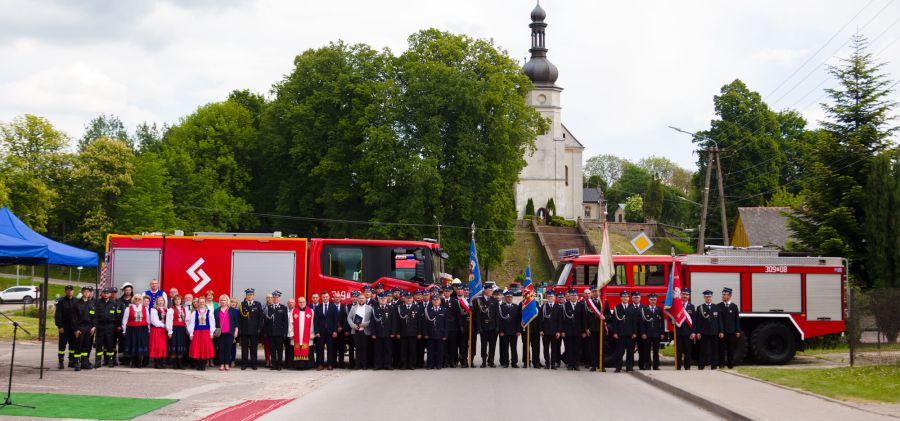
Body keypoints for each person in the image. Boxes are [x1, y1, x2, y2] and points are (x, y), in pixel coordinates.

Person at [694, 290, 723, 370]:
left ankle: (714, 365)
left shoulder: (716, 307)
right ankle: (701, 365)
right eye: (707, 297)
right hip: (704, 332)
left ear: (712, 297)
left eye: (709, 297)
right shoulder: (700, 307)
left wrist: (721, 331)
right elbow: (698, 321)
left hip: (714, 331)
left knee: (714, 350)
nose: (708, 298)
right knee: (703, 350)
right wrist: (698, 332)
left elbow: (719, 320)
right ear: (704, 297)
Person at [187, 297, 216, 370]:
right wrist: (191, 333)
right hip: (197, 332)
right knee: (198, 347)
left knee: (205, 347)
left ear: (205, 303)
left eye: (203, 302)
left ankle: (203, 364)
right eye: (200, 302)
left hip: (206, 332)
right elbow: (191, 323)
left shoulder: (209, 312)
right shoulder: (195, 312)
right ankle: (198, 364)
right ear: (198, 303)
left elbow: (212, 323)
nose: (202, 304)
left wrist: (211, 332)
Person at [612, 291, 638, 372]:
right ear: (621, 298)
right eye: (623, 297)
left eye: (626, 297)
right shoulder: (617, 307)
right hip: (620, 334)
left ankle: (629, 366)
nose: (625, 298)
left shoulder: (632, 308)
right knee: (619, 352)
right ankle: (618, 367)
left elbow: (634, 322)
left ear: (629, 298)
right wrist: (615, 332)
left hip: (630, 334)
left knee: (630, 352)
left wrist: (634, 332)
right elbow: (615, 322)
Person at [72, 286, 96, 371]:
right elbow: (73, 318)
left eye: (88, 292)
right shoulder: (77, 304)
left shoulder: (92, 304)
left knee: (86, 345)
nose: (86, 293)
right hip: (80, 327)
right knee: (78, 345)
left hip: (89, 328)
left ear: (90, 293)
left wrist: (94, 326)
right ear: (82, 292)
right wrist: (76, 329)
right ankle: (77, 363)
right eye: (85, 292)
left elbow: (94, 317)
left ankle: (84, 362)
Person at [474, 283, 499, 368]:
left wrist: (497, 326)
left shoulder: (494, 300)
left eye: (491, 290)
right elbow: (477, 315)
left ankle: (491, 360)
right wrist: (479, 327)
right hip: (483, 326)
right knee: (484, 345)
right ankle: (484, 361)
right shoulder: (479, 300)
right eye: (489, 290)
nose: (491, 292)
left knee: (492, 345)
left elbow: (497, 315)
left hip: (492, 326)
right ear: (485, 291)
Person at [238, 288, 264, 370]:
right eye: (248, 295)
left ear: (254, 295)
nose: (250, 296)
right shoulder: (242, 304)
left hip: (254, 331)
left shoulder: (258, 304)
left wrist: (259, 329)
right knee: (244, 348)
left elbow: (260, 318)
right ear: (246, 296)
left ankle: (254, 364)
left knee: (253, 348)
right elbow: (239, 318)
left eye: (251, 295)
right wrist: (240, 329)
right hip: (244, 330)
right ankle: (244, 364)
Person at [121, 295, 149, 368]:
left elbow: (148, 320)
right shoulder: (128, 309)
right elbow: (124, 320)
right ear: (133, 300)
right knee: (133, 344)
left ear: (141, 300)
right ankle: (133, 362)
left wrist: (148, 329)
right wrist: (124, 330)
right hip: (132, 329)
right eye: (136, 299)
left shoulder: (145, 308)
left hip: (142, 329)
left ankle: (139, 362)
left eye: (139, 299)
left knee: (140, 344)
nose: (137, 300)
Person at [348, 291, 374, 369]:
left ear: (365, 299)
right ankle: (357, 365)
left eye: (363, 298)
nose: (361, 299)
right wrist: (353, 325)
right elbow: (349, 318)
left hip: (365, 331)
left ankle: (364, 365)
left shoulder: (370, 308)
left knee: (365, 348)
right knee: (357, 348)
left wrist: (365, 324)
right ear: (358, 299)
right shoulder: (353, 308)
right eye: (360, 298)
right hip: (356, 331)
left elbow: (371, 319)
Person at [315, 291, 340, 371]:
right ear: (321, 298)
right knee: (320, 349)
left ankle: (330, 364)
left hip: (330, 332)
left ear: (329, 297)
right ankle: (320, 365)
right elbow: (315, 321)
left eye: (326, 297)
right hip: (321, 332)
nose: (325, 298)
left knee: (330, 349)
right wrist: (317, 331)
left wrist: (335, 331)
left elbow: (336, 320)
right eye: (323, 297)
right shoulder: (318, 307)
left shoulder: (333, 307)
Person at [265, 291, 290, 370]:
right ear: (272, 298)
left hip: (280, 333)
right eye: (274, 297)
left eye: (277, 297)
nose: (275, 299)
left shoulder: (283, 308)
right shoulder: (269, 308)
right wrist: (266, 332)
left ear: (279, 298)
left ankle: (279, 364)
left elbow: (286, 322)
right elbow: (266, 322)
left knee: (279, 350)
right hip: (271, 333)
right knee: (272, 350)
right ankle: (273, 364)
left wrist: (285, 333)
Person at [396, 291, 421, 370]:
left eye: (410, 298)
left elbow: (419, 322)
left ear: (412, 298)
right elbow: (397, 322)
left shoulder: (417, 307)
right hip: (403, 332)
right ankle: (404, 364)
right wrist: (398, 332)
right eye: (407, 298)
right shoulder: (400, 308)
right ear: (404, 299)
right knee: (403, 350)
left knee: (412, 349)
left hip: (413, 332)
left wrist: (419, 332)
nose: (409, 299)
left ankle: (412, 364)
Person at [289, 296, 315, 370]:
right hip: (296, 336)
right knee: (296, 349)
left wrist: (312, 334)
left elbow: (312, 323)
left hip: (307, 336)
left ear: (306, 302)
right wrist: (290, 333)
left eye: (303, 302)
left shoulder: (311, 311)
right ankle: (296, 365)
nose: (302, 303)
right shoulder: (293, 311)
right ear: (297, 303)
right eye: (300, 302)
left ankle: (307, 365)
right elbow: (290, 323)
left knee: (307, 349)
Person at [718, 287, 741, 369]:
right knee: (721, 348)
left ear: (729, 296)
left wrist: (737, 331)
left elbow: (736, 319)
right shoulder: (719, 306)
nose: (723, 296)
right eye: (723, 294)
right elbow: (718, 320)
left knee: (730, 348)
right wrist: (720, 331)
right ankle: (721, 364)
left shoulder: (734, 306)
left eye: (725, 294)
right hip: (722, 332)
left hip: (731, 331)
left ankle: (730, 364)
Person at [640, 293, 664, 370]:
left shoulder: (659, 309)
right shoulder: (644, 309)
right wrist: (643, 333)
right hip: (647, 334)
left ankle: (656, 366)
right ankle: (647, 365)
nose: (653, 301)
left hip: (656, 334)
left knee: (656, 351)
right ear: (648, 300)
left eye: (654, 300)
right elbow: (642, 323)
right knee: (647, 351)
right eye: (651, 299)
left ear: (656, 300)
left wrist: (662, 333)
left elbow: (662, 322)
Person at [423, 294, 448, 370]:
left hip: (440, 334)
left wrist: (445, 335)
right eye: (434, 300)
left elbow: (446, 324)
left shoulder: (444, 310)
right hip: (430, 334)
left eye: (437, 300)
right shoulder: (427, 310)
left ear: (440, 301)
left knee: (440, 350)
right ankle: (430, 364)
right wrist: (426, 333)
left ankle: (439, 364)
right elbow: (425, 323)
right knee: (430, 350)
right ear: (432, 301)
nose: (436, 301)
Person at [562, 289, 585, 371]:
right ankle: (570, 364)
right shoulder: (565, 305)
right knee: (569, 348)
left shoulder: (580, 305)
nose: (573, 297)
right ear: (569, 296)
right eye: (572, 295)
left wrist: (583, 331)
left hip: (578, 331)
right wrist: (563, 331)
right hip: (568, 331)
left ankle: (576, 364)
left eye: (575, 295)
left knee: (577, 348)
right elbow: (563, 319)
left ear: (577, 296)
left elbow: (583, 319)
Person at [498, 290, 522, 368]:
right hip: (504, 331)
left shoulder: (516, 307)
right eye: (508, 297)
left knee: (513, 348)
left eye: (510, 297)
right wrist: (500, 330)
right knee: (505, 348)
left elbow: (519, 320)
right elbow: (499, 320)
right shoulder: (501, 307)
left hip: (514, 331)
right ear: (505, 298)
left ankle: (514, 362)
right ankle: (505, 362)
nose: (509, 298)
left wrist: (518, 330)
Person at [55, 285, 76, 369]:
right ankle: (61, 361)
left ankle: (71, 361)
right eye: (67, 290)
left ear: (73, 291)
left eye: (71, 290)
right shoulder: (61, 302)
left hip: (73, 327)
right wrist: (60, 326)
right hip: (64, 327)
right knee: (62, 345)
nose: (69, 291)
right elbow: (58, 315)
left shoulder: (76, 301)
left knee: (73, 344)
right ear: (65, 291)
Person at [582, 288, 604, 371]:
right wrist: (586, 328)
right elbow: (585, 317)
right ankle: (594, 365)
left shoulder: (603, 301)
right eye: (593, 291)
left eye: (596, 291)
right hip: (591, 328)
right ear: (591, 293)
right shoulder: (588, 302)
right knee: (593, 348)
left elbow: (608, 313)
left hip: (601, 328)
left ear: (599, 292)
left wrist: (605, 317)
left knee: (601, 347)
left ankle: (601, 365)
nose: (595, 293)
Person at [539, 291, 562, 370]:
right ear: (547, 298)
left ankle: (553, 364)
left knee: (554, 349)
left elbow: (560, 320)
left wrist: (559, 331)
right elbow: (540, 319)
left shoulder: (558, 307)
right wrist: (541, 330)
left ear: (554, 298)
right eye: (549, 297)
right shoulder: (543, 306)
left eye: (552, 297)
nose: (550, 298)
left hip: (554, 332)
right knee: (546, 348)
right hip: (545, 331)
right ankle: (547, 363)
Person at [215, 295, 238, 371]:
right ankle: (222, 364)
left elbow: (236, 322)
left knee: (228, 349)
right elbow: (214, 322)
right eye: (221, 300)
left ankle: (227, 364)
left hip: (229, 332)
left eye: (224, 300)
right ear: (220, 301)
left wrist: (236, 331)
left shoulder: (232, 310)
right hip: (220, 332)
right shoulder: (216, 311)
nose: (223, 302)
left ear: (227, 301)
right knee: (221, 349)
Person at [166, 294, 189, 369]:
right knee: (174, 345)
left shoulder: (185, 309)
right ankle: (174, 363)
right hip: (174, 329)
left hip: (182, 329)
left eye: (179, 299)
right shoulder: (171, 309)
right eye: (176, 300)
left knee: (181, 345)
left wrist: (188, 330)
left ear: (181, 301)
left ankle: (180, 363)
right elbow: (169, 321)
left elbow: (187, 320)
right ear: (174, 301)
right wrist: (170, 331)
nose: (177, 301)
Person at [372, 293, 394, 370]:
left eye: (384, 298)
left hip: (388, 333)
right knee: (378, 350)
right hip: (378, 333)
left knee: (388, 350)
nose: (383, 300)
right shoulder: (374, 308)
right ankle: (378, 365)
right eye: (381, 299)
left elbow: (393, 322)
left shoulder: (391, 308)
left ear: (387, 299)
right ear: (378, 299)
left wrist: (392, 332)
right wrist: (373, 333)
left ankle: (388, 365)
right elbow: (372, 322)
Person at [675, 288, 695, 370]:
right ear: (681, 295)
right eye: (683, 294)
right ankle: (678, 366)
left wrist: (693, 332)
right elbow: (672, 317)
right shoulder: (677, 305)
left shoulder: (692, 307)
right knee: (678, 351)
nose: (685, 296)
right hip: (678, 332)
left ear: (689, 296)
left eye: (687, 295)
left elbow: (694, 321)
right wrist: (672, 320)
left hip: (688, 333)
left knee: (688, 351)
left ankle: (687, 366)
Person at [149, 296, 169, 369]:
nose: (161, 302)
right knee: (157, 346)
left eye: (162, 300)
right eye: (159, 301)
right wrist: (164, 325)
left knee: (163, 346)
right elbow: (154, 322)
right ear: (156, 302)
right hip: (157, 330)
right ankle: (156, 362)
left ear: (164, 301)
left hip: (163, 330)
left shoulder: (167, 309)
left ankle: (161, 361)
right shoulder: (154, 310)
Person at [631, 291, 648, 370]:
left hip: (642, 333)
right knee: (630, 350)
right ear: (632, 298)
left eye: (637, 297)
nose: (636, 299)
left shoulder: (644, 307)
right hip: (632, 333)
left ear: (640, 298)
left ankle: (642, 365)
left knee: (642, 350)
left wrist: (644, 333)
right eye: (634, 297)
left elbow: (646, 322)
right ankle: (630, 365)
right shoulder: (629, 307)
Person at [338, 296, 354, 368]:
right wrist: (341, 327)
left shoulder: (353, 307)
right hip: (342, 329)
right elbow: (341, 318)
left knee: (351, 347)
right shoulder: (341, 307)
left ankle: (352, 363)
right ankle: (341, 363)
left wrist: (347, 329)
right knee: (341, 347)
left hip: (351, 329)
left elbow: (350, 319)